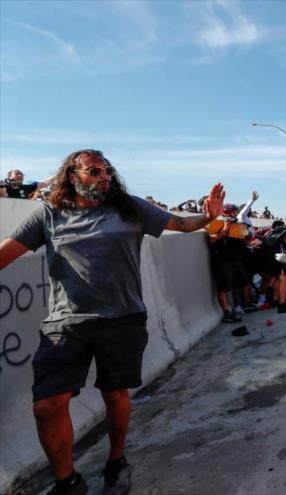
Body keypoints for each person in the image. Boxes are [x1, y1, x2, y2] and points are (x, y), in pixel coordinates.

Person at [0, 149, 227, 495]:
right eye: (94, 170)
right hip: (66, 322)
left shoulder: (129, 207)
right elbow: (6, 252)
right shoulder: (49, 214)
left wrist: (207, 217)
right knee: (47, 405)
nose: (104, 176)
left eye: (107, 170)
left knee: (115, 395)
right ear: (73, 177)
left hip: (122, 319)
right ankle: (68, 482)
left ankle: (116, 461)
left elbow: (181, 225)